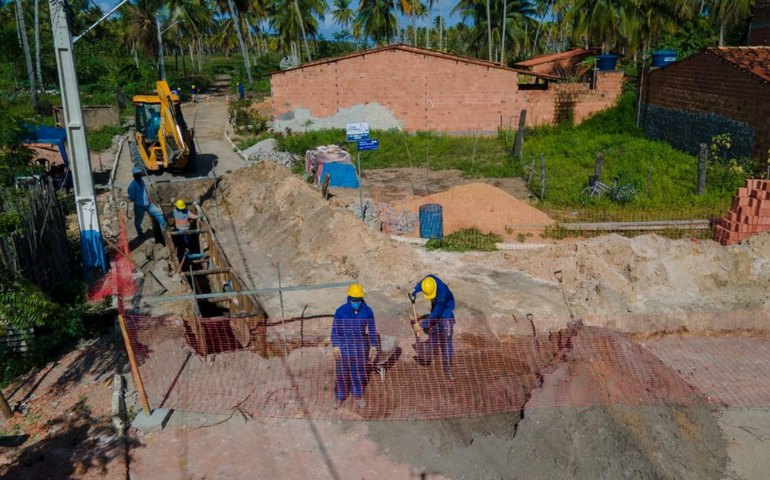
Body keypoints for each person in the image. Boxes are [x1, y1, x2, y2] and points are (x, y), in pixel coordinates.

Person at [331, 283, 379, 408]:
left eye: (358, 300)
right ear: (349, 298)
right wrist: (335, 345)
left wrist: (373, 345)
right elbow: (334, 330)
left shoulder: (367, 312)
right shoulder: (341, 312)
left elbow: (372, 330)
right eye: (354, 300)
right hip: (343, 349)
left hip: (359, 349)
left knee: (358, 374)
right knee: (341, 374)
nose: (356, 302)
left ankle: (357, 395)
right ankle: (340, 396)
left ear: (361, 299)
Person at [410, 274, 455, 380]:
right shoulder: (430, 280)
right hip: (436, 308)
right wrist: (414, 291)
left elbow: (435, 315)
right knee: (433, 331)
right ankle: (433, 350)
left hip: (445, 314)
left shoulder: (442, 296)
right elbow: (421, 284)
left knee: (446, 341)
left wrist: (421, 325)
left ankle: (447, 367)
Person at [128, 166, 167, 240]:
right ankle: (140, 233)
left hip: (148, 204)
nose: (139, 176)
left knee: (158, 213)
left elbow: (145, 192)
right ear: (134, 176)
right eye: (137, 175)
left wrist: (149, 199)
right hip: (139, 206)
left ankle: (165, 227)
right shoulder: (132, 186)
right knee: (138, 222)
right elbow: (131, 197)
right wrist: (133, 198)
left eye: (139, 174)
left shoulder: (142, 181)